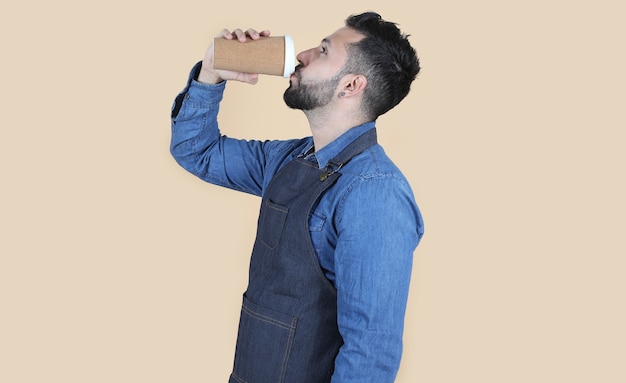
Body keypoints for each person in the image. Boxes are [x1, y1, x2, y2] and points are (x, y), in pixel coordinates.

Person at [170, 11, 424, 383]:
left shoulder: (374, 192)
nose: (301, 55)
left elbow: (371, 353)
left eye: (323, 50)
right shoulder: (287, 159)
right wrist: (211, 73)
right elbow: (198, 152)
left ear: (351, 85)